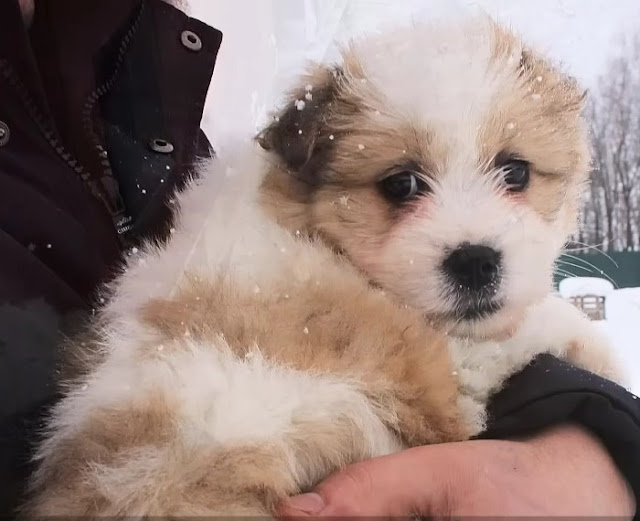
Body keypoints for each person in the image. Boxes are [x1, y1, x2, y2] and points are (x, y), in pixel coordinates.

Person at [0, 0, 637, 518]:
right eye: (402, 187)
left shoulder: (134, 83)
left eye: (514, 173)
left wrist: (590, 441)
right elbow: (455, 389)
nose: (472, 238)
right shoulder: (256, 250)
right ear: (300, 174)